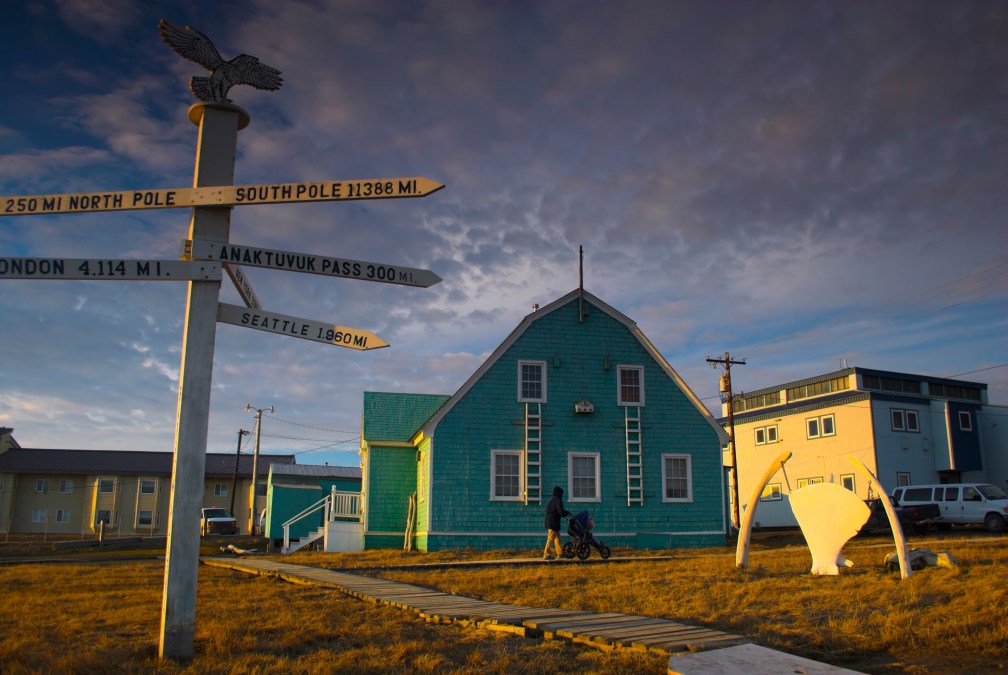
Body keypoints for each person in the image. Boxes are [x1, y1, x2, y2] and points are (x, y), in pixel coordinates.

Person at [543, 485, 570, 560]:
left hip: (550, 521)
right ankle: (546, 554)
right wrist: (567, 513)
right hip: (553, 522)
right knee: (550, 538)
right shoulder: (558, 500)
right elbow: (560, 511)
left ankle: (560, 553)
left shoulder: (552, 500)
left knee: (557, 537)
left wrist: (565, 513)